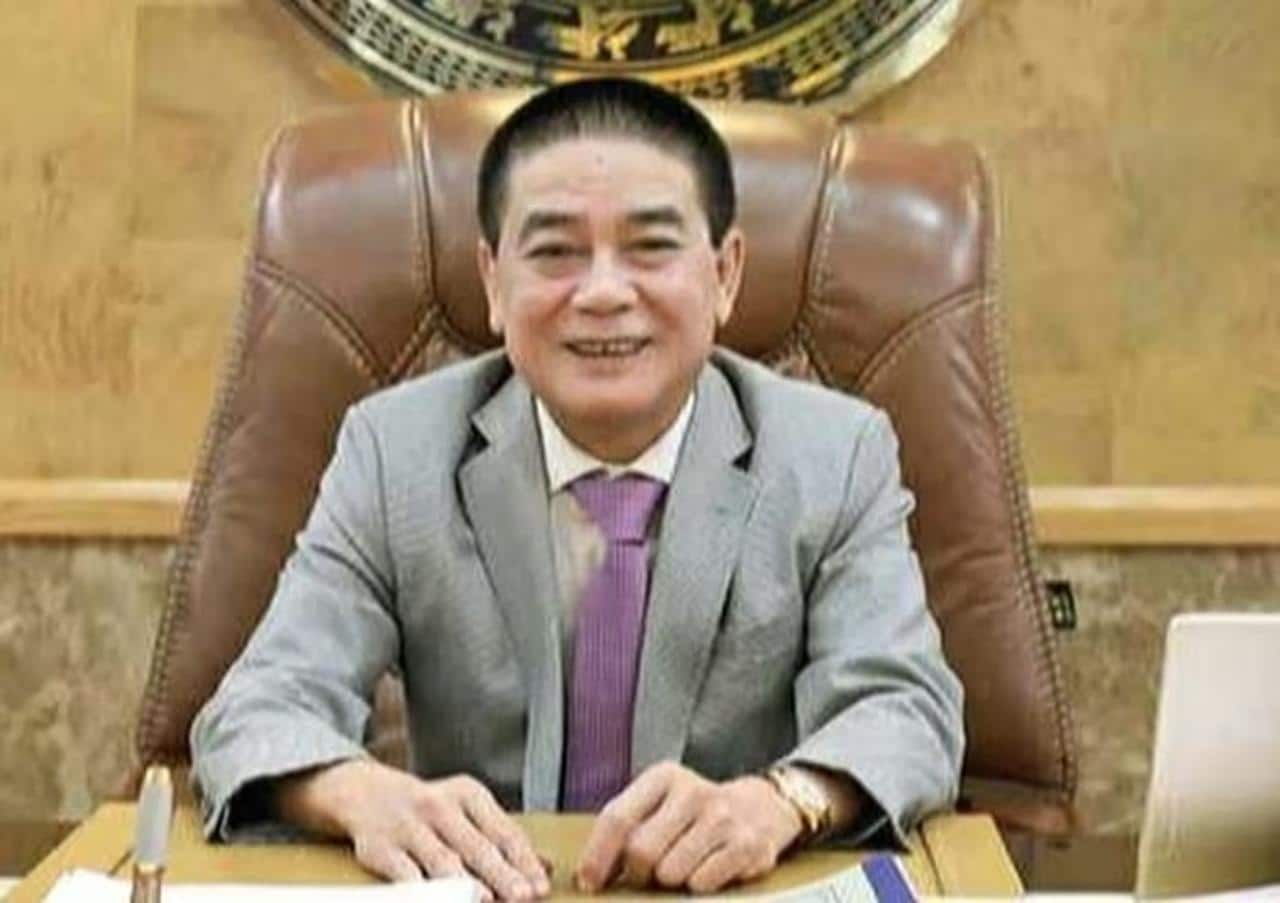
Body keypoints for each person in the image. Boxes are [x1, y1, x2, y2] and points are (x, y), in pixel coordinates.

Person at [191, 77, 964, 900]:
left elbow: (909, 708)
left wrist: (784, 800)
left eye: (651, 247)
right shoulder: (396, 451)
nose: (602, 293)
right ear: (494, 281)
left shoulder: (833, 454)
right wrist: (360, 793)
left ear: (725, 273)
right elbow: (256, 710)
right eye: (555, 251)